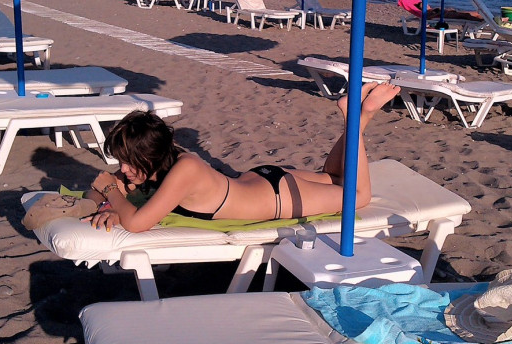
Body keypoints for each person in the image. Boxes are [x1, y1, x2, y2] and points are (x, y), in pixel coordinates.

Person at [84, 82, 400, 233]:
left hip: (279, 197)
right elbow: (100, 193)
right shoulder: (164, 161)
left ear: (149, 154)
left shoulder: (184, 170)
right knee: (335, 178)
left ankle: (356, 119)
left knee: (358, 196)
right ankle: (356, 117)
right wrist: (111, 204)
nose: (123, 169)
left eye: (129, 161)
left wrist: (112, 192)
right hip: (261, 181)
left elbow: (137, 222)